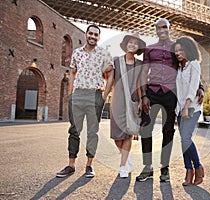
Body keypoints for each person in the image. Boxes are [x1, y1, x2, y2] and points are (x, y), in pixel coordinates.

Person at [136, 18, 204, 182]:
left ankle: (164, 168)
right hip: (151, 92)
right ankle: (147, 168)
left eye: (164, 27)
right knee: (146, 129)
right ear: (155, 30)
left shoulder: (176, 48)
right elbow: (144, 72)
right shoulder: (150, 49)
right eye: (158, 27)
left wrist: (200, 86)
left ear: (169, 28)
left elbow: (187, 65)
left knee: (168, 131)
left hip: (170, 94)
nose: (161, 30)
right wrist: (144, 96)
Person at [56, 24, 114, 178]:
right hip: (78, 95)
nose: (93, 37)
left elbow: (111, 75)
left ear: (99, 37)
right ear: (86, 35)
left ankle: (89, 165)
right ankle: (71, 165)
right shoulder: (77, 53)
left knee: (92, 132)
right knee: (74, 130)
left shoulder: (104, 54)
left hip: (95, 95)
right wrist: (71, 94)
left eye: (96, 34)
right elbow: (73, 73)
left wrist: (104, 96)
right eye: (91, 34)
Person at [110, 33, 146, 178]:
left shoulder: (140, 64)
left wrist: (141, 101)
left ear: (138, 47)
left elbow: (140, 83)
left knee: (128, 134)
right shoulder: (116, 61)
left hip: (132, 101)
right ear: (126, 44)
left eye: (135, 43)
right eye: (130, 42)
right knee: (117, 136)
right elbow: (108, 79)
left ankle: (122, 166)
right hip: (117, 101)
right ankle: (128, 157)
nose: (132, 45)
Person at [171, 36, 204, 186]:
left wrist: (186, 107)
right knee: (183, 141)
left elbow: (193, 86)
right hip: (180, 108)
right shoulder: (179, 67)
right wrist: (179, 108)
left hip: (192, 108)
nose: (178, 53)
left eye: (181, 50)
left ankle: (197, 167)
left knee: (185, 138)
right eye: (176, 51)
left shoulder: (194, 64)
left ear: (188, 49)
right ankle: (188, 171)